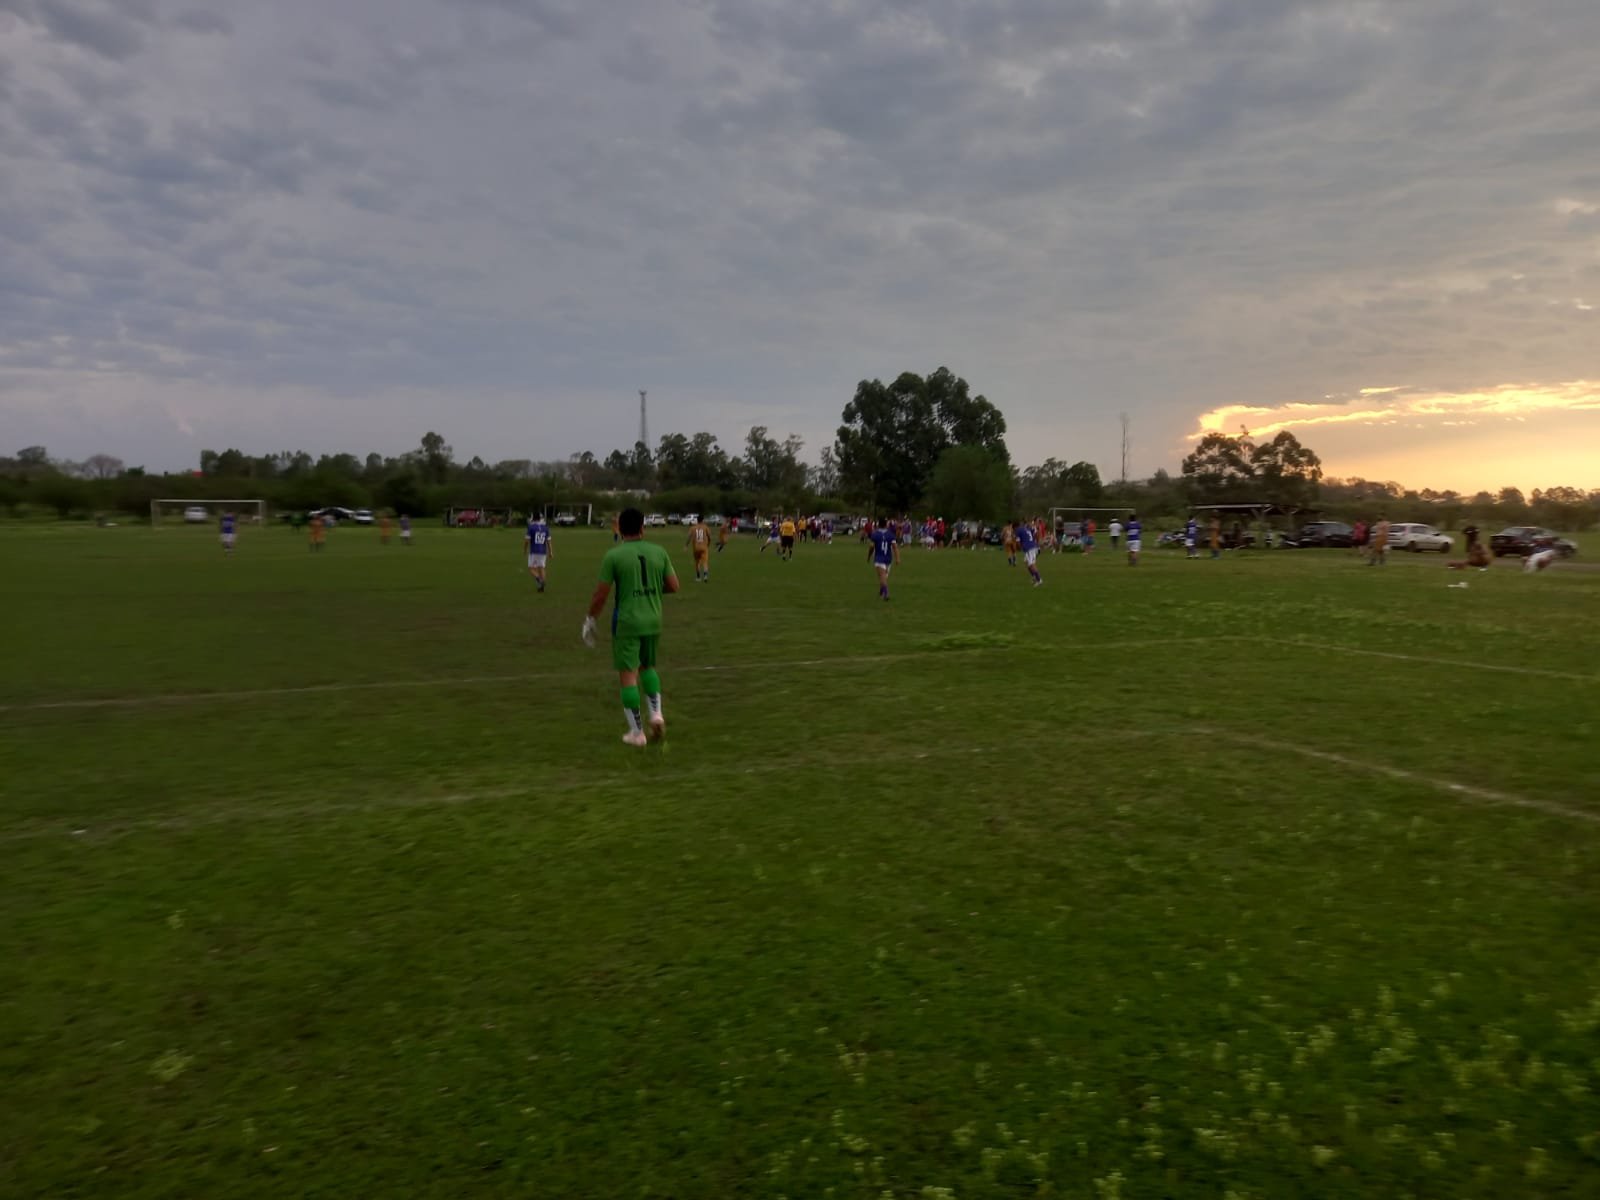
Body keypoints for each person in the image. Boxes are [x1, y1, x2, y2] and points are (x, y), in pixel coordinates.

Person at [583, 507, 679, 747]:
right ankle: (656, 714)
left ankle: (637, 733)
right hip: (654, 619)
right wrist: (652, 591)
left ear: (619, 529)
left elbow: (600, 595)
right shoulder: (659, 551)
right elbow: (674, 585)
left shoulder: (614, 556)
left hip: (627, 621)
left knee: (628, 675)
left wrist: (590, 618)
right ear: (642, 527)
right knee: (648, 667)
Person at [868, 516, 900, 601]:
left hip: (879, 558)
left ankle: (886, 593)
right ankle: (882, 591)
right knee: (884, 577)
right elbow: (895, 547)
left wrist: (869, 556)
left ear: (878, 524)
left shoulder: (875, 534)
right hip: (888, 558)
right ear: (886, 525)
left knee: (882, 576)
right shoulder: (891, 535)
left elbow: (871, 546)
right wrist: (897, 558)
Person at [524, 513, 552, 592]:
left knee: (531, 568)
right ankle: (541, 587)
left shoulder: (531, 527)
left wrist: (525, 550)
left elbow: (527, 541)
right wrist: (551, 552)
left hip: (534, 551)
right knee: (541, 568)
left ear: (533, 519)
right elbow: (549, 541)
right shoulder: (545, 528)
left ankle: (540, 580)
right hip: (543, 551)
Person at [1016, 518, 1042, 586]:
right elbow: (1034, 534)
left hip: (1030, 548)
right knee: (1027, 562)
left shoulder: (1018, 530)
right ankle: (1034, 577)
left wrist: (1019, 548)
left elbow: (1018, 542)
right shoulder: (1027, 529)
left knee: (1031, 564)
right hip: (1031, 547)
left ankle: (1039, 580)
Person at [686, 517, 712, 582]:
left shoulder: (693, 528)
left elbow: (689, 537)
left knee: (697, 562)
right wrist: (708, 544)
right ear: (703, 520)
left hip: (696, 547)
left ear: (697, 520)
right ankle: (705, 576)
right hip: (704, 547)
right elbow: (709, 537)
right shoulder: (705, 527)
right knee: (705, 562)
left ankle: (698, 577)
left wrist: (686, 545)